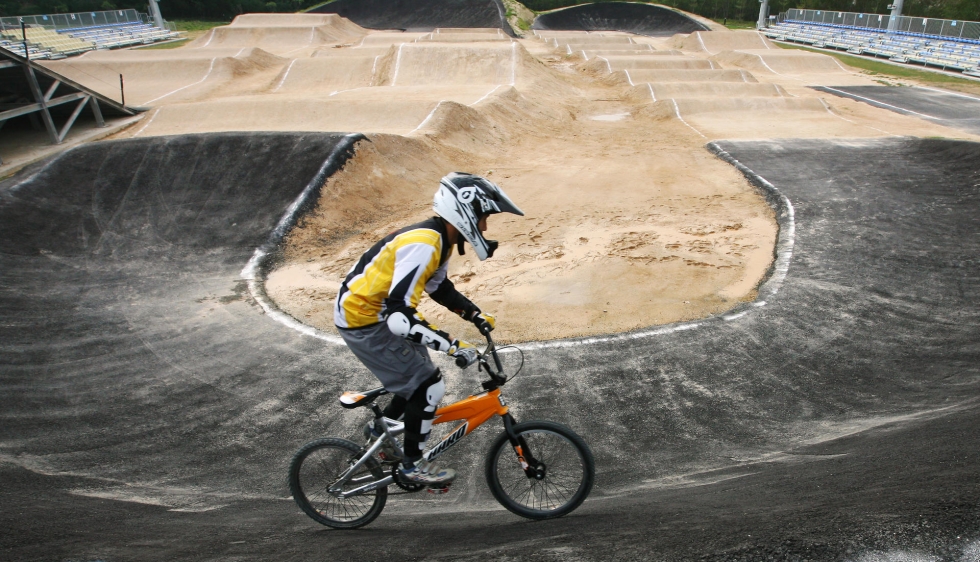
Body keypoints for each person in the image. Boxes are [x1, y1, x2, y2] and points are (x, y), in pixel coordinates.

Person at [333, 172, 524, 487]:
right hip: (364, 320)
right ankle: (412, 465)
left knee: (417, 378)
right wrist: (453, 345)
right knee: (429, 386)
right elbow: (400, 319)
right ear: (463, 213)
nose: (485, 226)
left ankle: (384, 431)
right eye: (483, 217)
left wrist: (473, 314)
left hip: (373, 314)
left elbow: (440, 288)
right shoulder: (425, 243)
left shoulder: (439, 241)